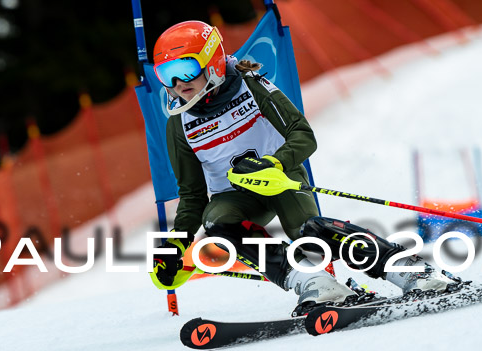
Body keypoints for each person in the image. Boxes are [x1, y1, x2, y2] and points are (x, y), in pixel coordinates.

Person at [149, 20, 457, 313]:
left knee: (309, 233)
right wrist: (176, 245)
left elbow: (303, 135)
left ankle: (410, 271)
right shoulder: (179, 124)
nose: (177, 83)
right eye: (165, 74)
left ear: (212, 63)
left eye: (184, 70)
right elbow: (192, 195)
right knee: (216, 221)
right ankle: (314, 283)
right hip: (235, 196)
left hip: (278, 178)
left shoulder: (251, 87)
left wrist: (276, 163)